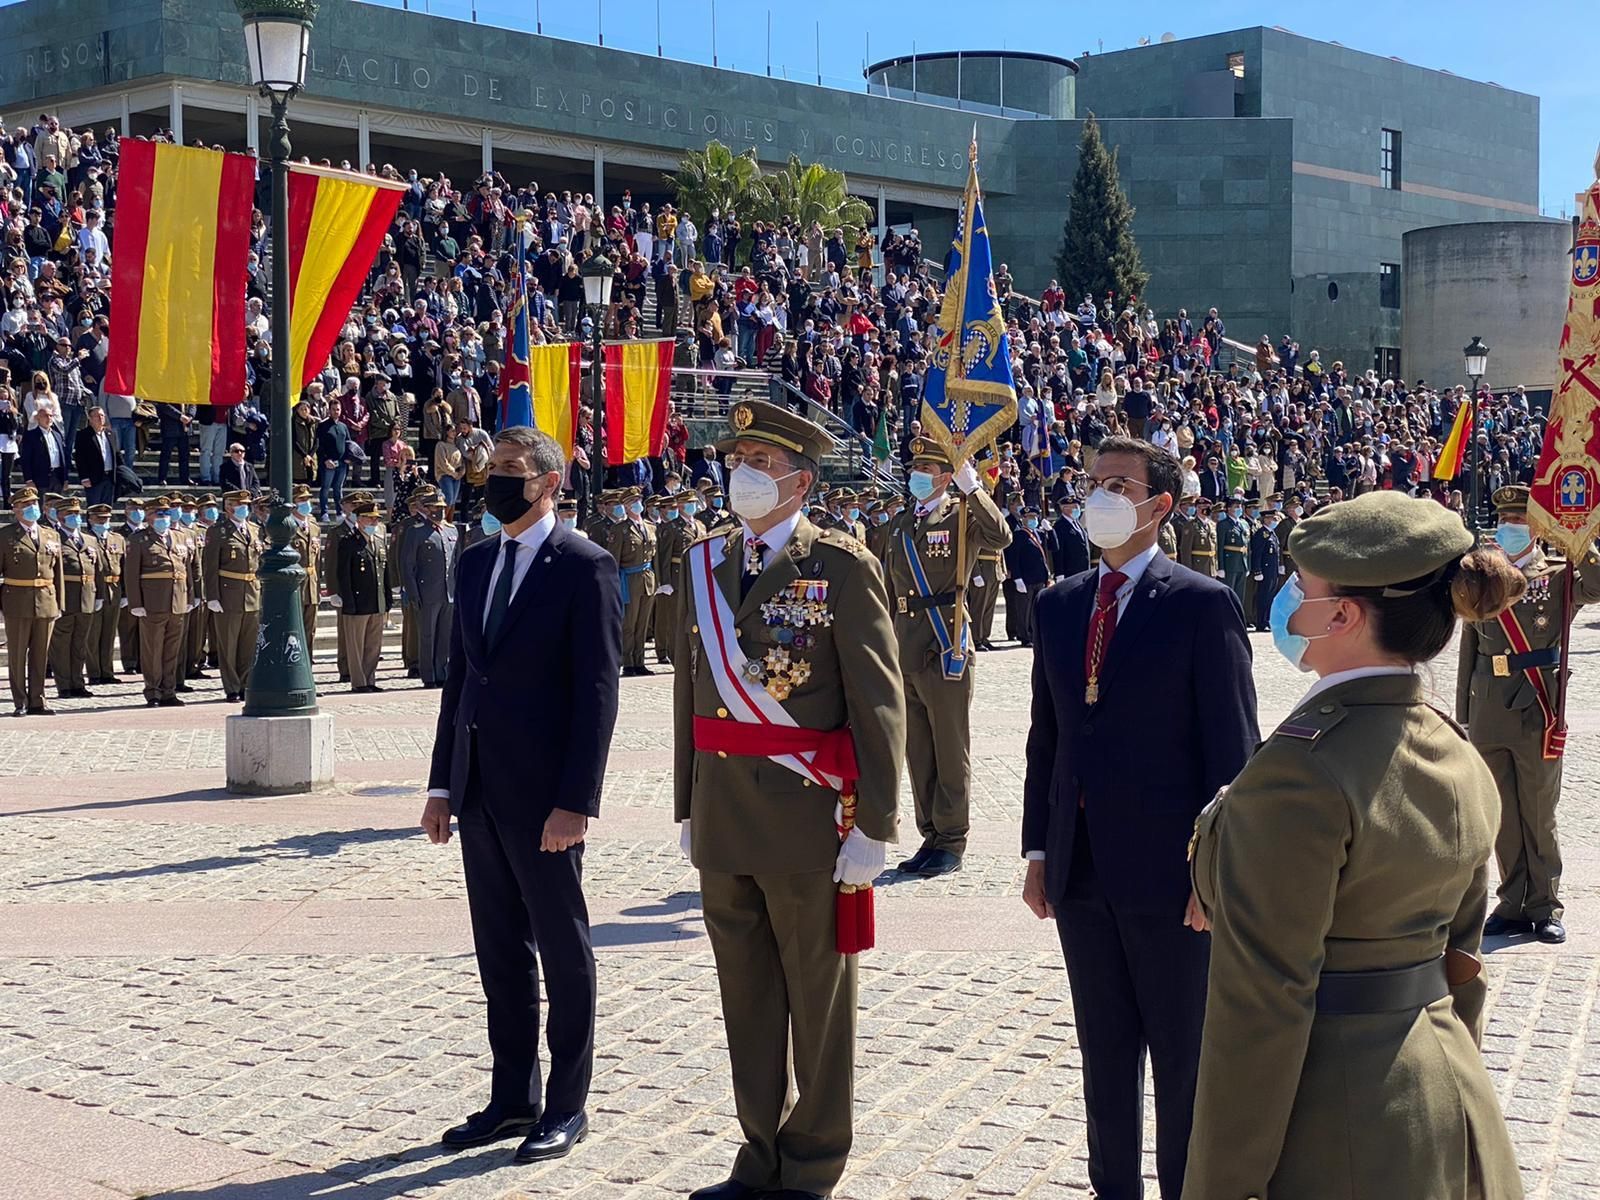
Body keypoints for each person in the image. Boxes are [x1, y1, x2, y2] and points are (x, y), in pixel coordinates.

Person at [1185, 490, 1525, 1199]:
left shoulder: (1302, 771)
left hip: (1337, 1125)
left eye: (1301, 586)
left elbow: (1261, 1006)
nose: (1288, 598)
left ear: (1341, 616)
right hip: (1447, 1095)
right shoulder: (1451, 745)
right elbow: (1462, 961)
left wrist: (1219, 1185)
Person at [672, 399, 906, 1200]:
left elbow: (879, 704)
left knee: (818, 1003)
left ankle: (810, 1164)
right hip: (723, 815)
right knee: (746, 1001)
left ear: (801, 481)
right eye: (736, 460)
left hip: (808, 820)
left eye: (761, 463)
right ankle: (759, 1155)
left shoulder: (840, 565)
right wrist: (686, 804)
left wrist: (875, 826)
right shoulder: (703, 559)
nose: (742, 474)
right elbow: (690, 693)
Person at [1021, 436, 1258, 1200]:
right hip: (1081, 869)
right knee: (1104, 1050)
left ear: (1161, 504)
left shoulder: (1200, 604)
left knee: (1182, 1056)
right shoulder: (1060, 605)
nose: (1101, 496)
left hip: (1171, 878)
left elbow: (1233, 754)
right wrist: (1038, 853)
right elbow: (1047, 741)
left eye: (1119, 484)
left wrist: (1214, 874)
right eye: (1094, 482)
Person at [423, 425, 622, 1165]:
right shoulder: (477, 560)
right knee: (500, 951)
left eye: (512, 469)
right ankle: (513, 1096)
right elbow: (462, 680)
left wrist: (577, 801)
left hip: (546, 800)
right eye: (493, 469)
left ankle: (567, 1103)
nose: (497, 480)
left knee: (563, 950)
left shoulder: (585, 566)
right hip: (478, 789)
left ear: (549, 482)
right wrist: (442, 784)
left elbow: (597, 693)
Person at [1459, 484, 1600, 945]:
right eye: (1505, 521)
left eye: (1520, 521)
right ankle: (1511, 903)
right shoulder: (1481, 573)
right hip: (1488, 706)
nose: (1510, 527)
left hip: (1537, 704)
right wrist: (1464, 713)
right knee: (1499, 812)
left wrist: (1580, 541)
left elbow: (1596, 586)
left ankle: (1545, 905)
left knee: (1539, 812)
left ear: (1537, 529)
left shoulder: (1559, 573)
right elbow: (1470, 645)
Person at [886, 435, 1011, 877]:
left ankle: (952, 839)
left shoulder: (961, 516)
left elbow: (1000, 535)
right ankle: (930, 835)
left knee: (949, 747)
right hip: (906, 643)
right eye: (914, 469)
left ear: (944, 477)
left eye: (926, 470)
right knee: (918, 748)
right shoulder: (901, 523)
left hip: (945, 642)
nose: (916, 476)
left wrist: (972, 487)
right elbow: (888, 585)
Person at [124, 496, 194, 708]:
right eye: (159, 514)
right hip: (153, 602)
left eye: (166, 513)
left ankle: (169, 691)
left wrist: (190, 597)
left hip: (177, 600)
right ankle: (153, 691)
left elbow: (187, 570)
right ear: (149, 516)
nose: (164, 517)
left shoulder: (179, 537)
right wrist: (136, 603)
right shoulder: (139, 540)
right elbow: (131, 574)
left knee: (172, 650)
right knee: (153, 651)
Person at [0, 485, 64, 715]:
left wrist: (60, 603)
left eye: (34, 503)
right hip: (17, 601)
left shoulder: (51, 534)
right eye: (26, 505)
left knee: (40, 654)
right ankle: (21, 701)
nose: (32, 508)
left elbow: (58, 573)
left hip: (46, 600)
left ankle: (38, 700)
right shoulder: (5, 535)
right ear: (15, 509)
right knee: (17, 655)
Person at [202, 489, 263, 703]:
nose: (244, 508)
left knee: (248, 645)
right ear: (229, 507)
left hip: (252, 593)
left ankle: (246, 684)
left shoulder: (255, 530)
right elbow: (210, 567)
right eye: (240, 504)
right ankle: (232, 687)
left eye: (246, 504)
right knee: (228, 645)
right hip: (228, 593)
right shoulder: (218, 532)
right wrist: (212, 596)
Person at [399, 492, 458, 688]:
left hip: (448, 591)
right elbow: (408, 565)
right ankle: (429, 675)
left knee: (444, 635)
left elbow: (456, 564)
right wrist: (413, 593)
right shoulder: (416, 532)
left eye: (442, 508)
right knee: (427, 635)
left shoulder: (451, 531)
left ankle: (442, 672)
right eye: (434, 508)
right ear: (426, 509)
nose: (439, 511)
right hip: (427, 591)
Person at [332, 497, 390, 693]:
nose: (374, 522)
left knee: (373, 644)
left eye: (376, 519)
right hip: (357, 601)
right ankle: (359, 681)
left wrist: (387, 599)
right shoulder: (349, 542)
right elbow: (343, 575)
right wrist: (348, 600)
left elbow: (384, 573)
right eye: (370, 518)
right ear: (359, 519)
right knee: (356, 645)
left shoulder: (379, 542)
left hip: (376, 600)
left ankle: (370, 678)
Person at [48, 495, 98, 698]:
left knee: (80, 643)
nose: (75, 517)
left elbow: (98, 570)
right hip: (65, 597)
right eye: (70, 513)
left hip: (87, 597)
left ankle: (78, 682)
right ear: (59, 516)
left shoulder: (90, 539)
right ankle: (64, 685)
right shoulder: (53, 538)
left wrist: (99, 595)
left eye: (77, 513)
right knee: (61, 645)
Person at [606, 486, 657, 675]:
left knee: (643, 624)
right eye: (632, 502)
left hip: (647, 579)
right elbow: (614, 559)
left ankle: (639, 661)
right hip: (629, 579)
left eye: (638, 501)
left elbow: (655, 557)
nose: (637, 504)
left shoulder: (650, 527)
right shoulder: (620, 529)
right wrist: (614, 586)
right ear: (626, 507)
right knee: (629, 624)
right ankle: (628, 662)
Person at [73, 404, 119, 507]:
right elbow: (80, 458)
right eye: (97, 416)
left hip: (110, 477)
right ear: (90, 418)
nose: (100, 418)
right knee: (94, 508)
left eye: (102, 415)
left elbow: (117, 454)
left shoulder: (110, 434)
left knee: (107, 508)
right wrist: (84, 477)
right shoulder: (83, 435)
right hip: (93, 478)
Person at [19, 403, 67, 494]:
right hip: (40, 479)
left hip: (57, 477)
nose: (49, 418)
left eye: (51, 416)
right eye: (45, 416)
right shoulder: (31, 435)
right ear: (38, 418)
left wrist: (65, 479)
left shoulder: (57, 435)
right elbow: (26, 459)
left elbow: (62, 457)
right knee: (42, 502)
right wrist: (29, 480)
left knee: (57, 502)